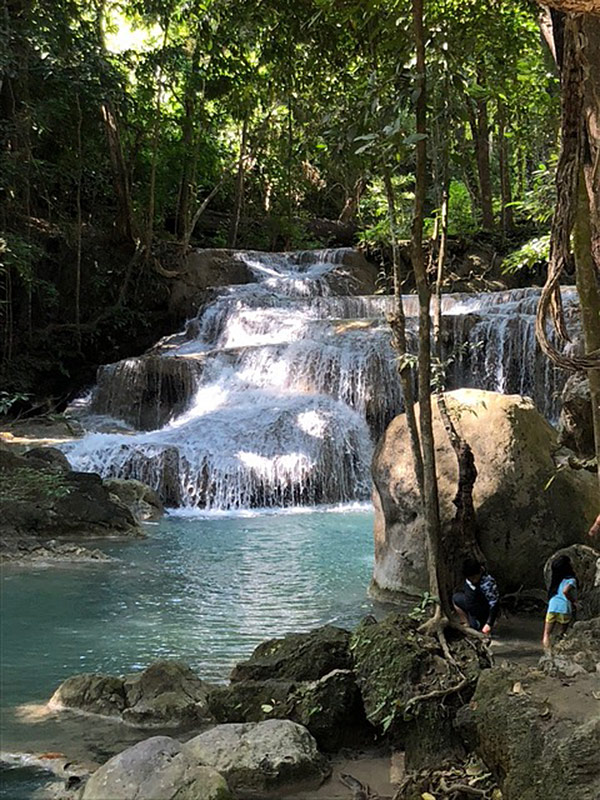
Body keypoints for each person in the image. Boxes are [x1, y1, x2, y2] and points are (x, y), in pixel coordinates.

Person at [452, 557, 500, 635]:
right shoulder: (469, 577)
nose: (473, 580)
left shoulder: (488, 583)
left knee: (475, 627)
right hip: (471, 604)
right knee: (456, 598)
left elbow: (494, 604)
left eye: (474, 578)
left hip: (482, 611)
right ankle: (465, 622)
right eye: (470, 579)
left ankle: (480, 623)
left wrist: (489, 623)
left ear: (480, 572)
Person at [542, 555, 577, 651]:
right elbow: (566, 591)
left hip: (552, 606)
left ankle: (548, 653)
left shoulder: (555, 580)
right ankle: (558, 650)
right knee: (562, 632)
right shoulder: (571, 580)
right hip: (564, 608)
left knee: (546, 634)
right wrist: (574, 601)